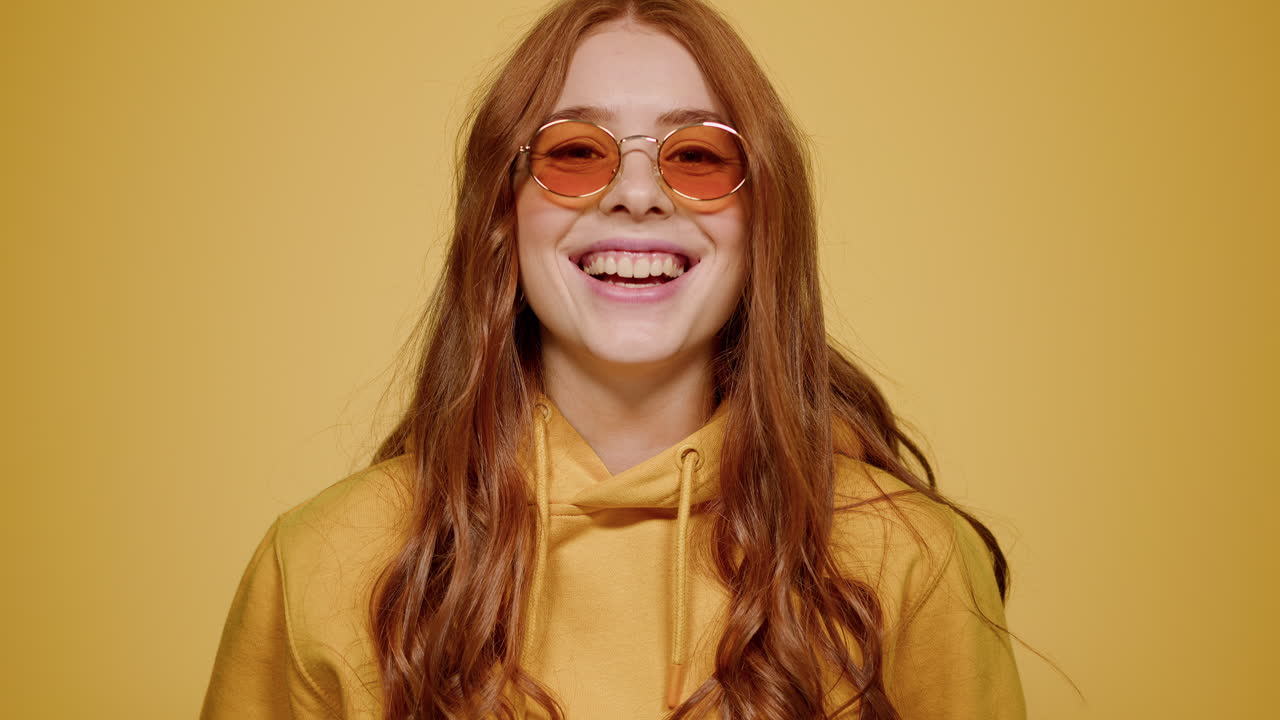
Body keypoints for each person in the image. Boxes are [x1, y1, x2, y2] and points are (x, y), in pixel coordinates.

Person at [199, 0, 1027, 718]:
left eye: (697, 155)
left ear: (764, 221)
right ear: (503, 214)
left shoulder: (912, 562)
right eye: (576, 153)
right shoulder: (322, 561)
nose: (636, 193)